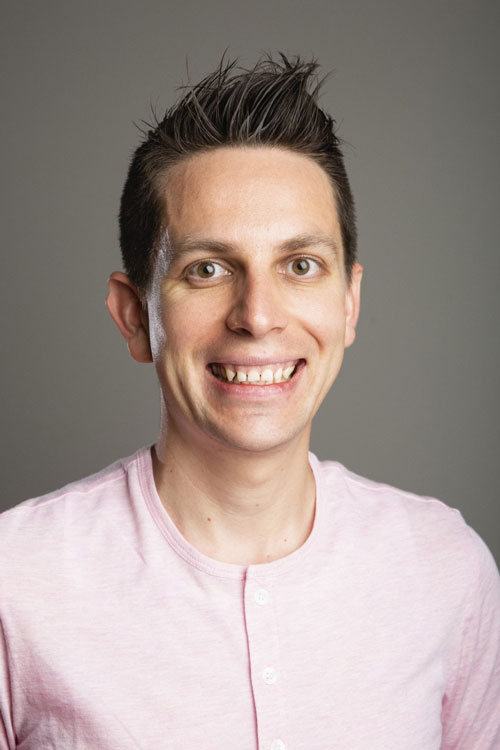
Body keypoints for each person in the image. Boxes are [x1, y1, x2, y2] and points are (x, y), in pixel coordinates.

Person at [1, 54, 499, 750]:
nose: (258, 316)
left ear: (349, 304)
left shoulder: (445, 568)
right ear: (133, 315)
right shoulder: (15, 582)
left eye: (300, 266)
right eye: (207, 269)